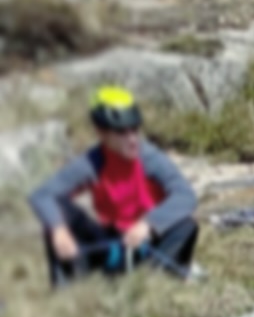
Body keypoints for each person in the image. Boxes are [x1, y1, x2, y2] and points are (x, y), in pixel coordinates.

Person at [28, 85, 199, 283]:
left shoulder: (150, 158)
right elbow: (42, 195)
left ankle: (153, 282)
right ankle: (67, 293)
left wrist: (148, 224)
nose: (132, 139)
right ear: (102, 133)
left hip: (150, 245)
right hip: (112, 244)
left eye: (135, 129)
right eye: (122, 132)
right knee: (57, 213)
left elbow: (186, 196)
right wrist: (59, 230)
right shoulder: (93, 162)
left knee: (186, 225)